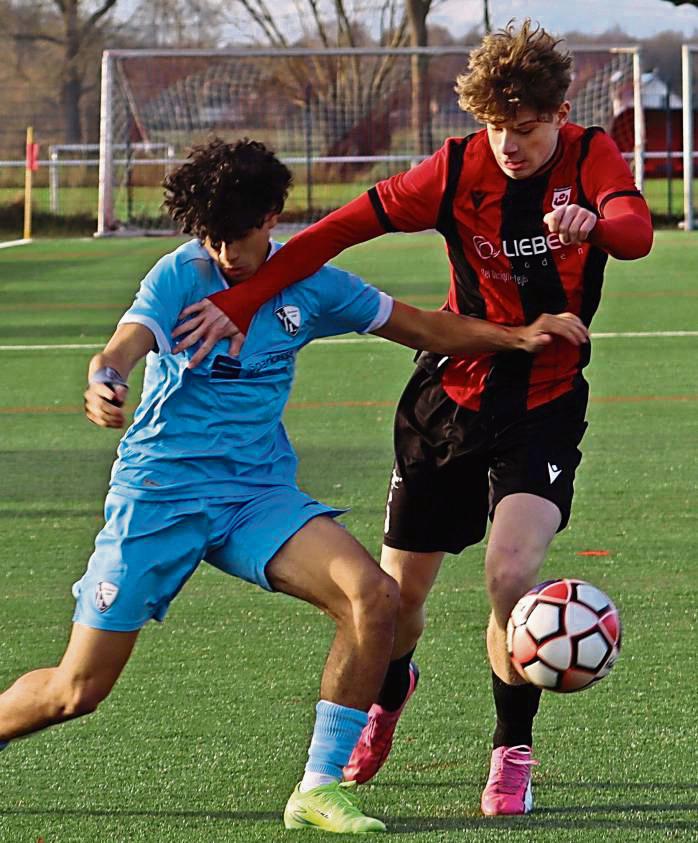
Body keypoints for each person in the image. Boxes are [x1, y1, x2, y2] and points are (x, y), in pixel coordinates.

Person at [0, 138, 587, 834]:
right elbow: (124, 343)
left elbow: (424, 325)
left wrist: (518, 335)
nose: (224, 254)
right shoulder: (180, 275)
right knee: (77, 689)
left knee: (376, 597)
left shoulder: (312, 285)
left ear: (272, 217)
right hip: (159, 496)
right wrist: (106, 377)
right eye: (211, 237)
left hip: (256, 495)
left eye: (237, 237)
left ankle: (318, 785)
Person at [170, 21, 653, 817]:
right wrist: (242, 296)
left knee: (509, 575)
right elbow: (333, 232)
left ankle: (510, 751)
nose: (509, 145)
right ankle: (390, 697)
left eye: (526, 129)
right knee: (400, 600)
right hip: (449, 398)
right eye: (496, 126)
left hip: (545, 402)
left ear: (559, 114)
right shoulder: (456, 168)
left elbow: (634, 230)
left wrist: (596, 223)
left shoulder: (591, 155)